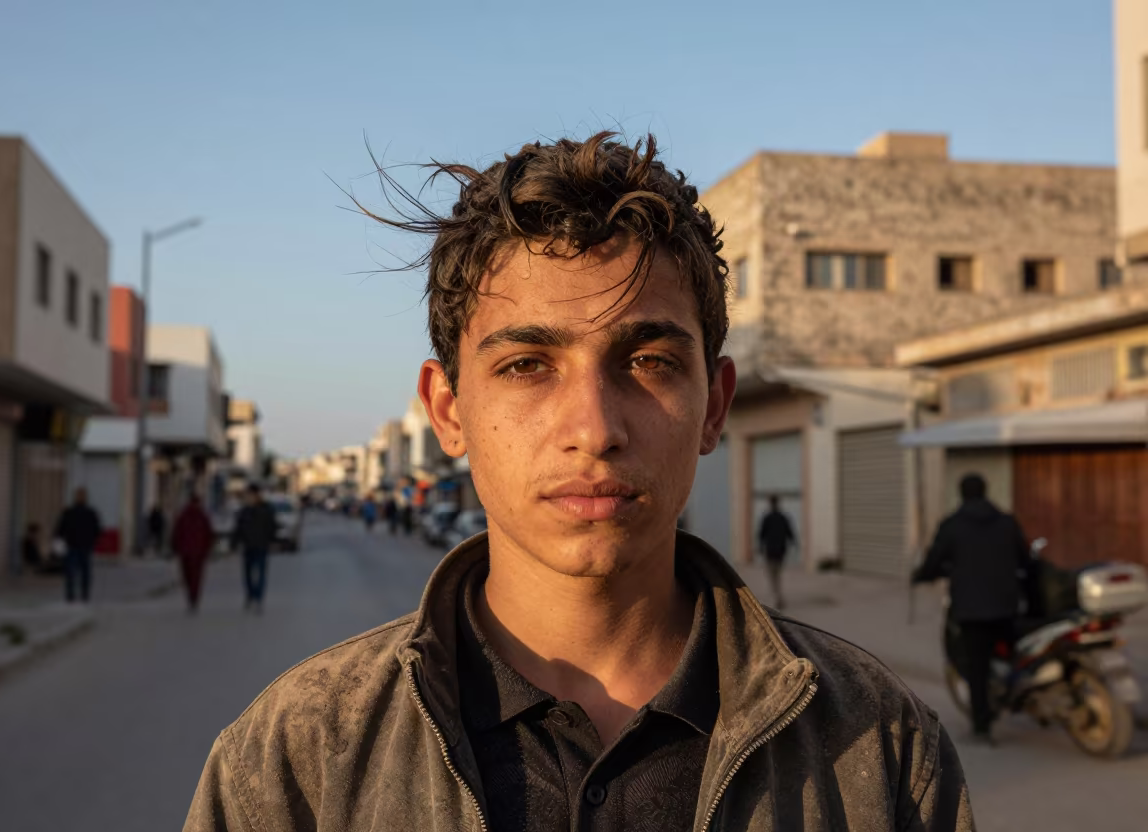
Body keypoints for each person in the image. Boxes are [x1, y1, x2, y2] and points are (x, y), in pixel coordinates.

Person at [185, 134, 971, 831]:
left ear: (714, 404)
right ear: (448, 410)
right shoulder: (299, 754)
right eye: (527, 366)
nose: (594, 429)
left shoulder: (879, 740)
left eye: (648, 362)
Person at [914, 473, 1031, 746]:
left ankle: (982, 726)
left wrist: (921, 575)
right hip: (1007, 606)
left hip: (971, 611)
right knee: (1014, 654)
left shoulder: (952, 525)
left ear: (962, 494)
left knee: (977, 668)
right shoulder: (1006, 521)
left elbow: (934, 561)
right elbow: (1025, 558)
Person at [233, 485, 276, 612]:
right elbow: (238, 528)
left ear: (257, 495)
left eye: (251, 495)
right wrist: (234, 543)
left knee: (261, 573)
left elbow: (272, 526)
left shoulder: (266, 509)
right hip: (248, 546)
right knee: (247, 574)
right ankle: (250, 595)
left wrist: (272, 541)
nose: (249, 498)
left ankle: (258, 598)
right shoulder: (244, 511)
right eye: (248, 495)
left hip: (261, 546)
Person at [55, 488, 101, 604]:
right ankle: (82, 595)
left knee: (74, 572)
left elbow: (60, 530)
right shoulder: (89, 513)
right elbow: (97, 530)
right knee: (82, 571)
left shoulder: (71, 512)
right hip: (80, 546)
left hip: (75, 546)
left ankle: (73, 595)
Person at [172, 494, 215, 613]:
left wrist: (176, 548)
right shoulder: (201, 516)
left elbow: (176, 533)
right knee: (195, 578)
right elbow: (209, 535)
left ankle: (192, 598)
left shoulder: (184, 516)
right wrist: (207, 550)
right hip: (197, 553)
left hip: (187, 553)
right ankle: (193, 598)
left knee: (188, 577)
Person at [757, 495, 796, 609]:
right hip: (780, 550)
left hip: (771, 550)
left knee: (773, 575)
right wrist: (794, 544)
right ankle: (778, 596)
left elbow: (761, 535)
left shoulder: (767, 518)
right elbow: (790, 532)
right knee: (777, 573)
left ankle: (777, 596)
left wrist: (760, 548)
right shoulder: (783, 517)